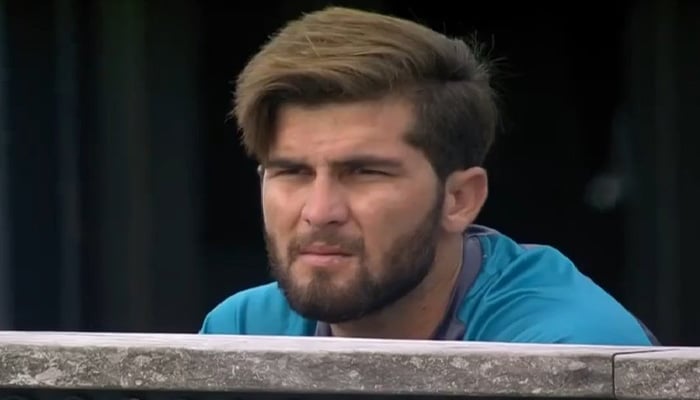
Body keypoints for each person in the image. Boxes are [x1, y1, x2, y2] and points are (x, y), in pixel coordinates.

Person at [199, 6, 658, 345]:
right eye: (292, 172)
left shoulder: (566, 349)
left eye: (365, 172)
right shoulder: (243, 330)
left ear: (459, 198)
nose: (319, 212)